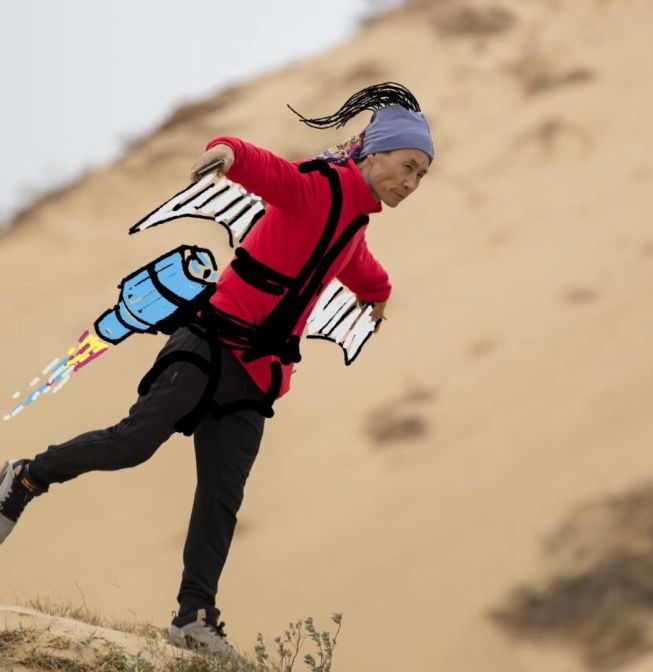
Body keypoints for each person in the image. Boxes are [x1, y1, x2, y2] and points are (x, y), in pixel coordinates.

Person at [0, 82, 433, 655]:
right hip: (208, 345)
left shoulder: (354, 223)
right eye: (407, 166)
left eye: (421, 175)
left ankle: (194, 618)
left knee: (220, 499)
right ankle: (25, 477)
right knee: (132, 443)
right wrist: (226, 151)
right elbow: (266, 170)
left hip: (257, 376)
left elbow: (359, 266)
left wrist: (378, 294)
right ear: (374, 153)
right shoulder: (317, 188)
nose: (411, 182)